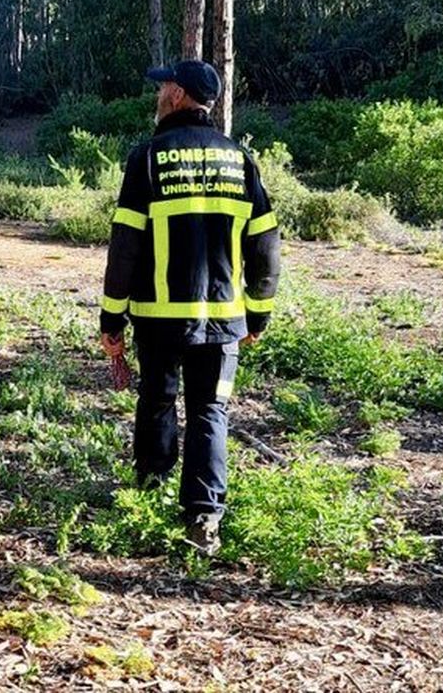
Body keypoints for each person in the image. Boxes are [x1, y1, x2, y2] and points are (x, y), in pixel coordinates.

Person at [99, 59, 281, 553]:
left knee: (157, 400)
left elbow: (126, 248)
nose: (158, 95)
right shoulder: (240, 161)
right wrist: (258, 314)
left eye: (163, 88)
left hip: (158, 320)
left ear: (177, 95)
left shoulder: (148, 158)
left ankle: (149, 494)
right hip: (223, 324)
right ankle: (204, 520)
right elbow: (265, 247)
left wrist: (111, 319)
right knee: (210, 412)